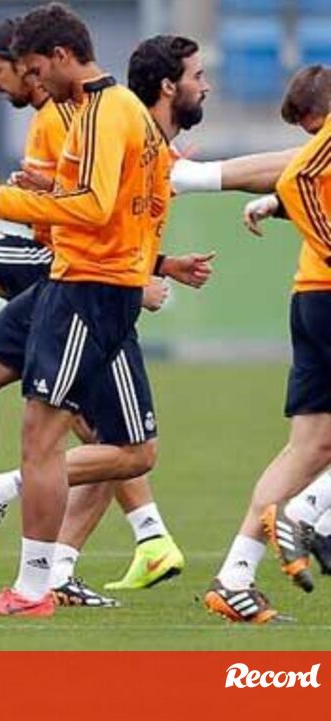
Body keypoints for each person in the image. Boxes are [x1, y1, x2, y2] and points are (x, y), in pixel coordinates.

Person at [0, 3, 175, 617]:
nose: (34, 81)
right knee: (122, 447)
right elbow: (148, 197)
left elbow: (93, 208)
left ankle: (31, 589)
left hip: (88, 287)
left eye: (35, 68)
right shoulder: (126, 110)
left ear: (62, 55)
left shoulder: (101, 112)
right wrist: (145, 263)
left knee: (41, 438)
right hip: (98, 282)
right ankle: (38, 575)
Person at [204, 64, 331, 623]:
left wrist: (277, 207)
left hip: (312, 295)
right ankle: (307, 514)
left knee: (309, 448)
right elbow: (299, 177)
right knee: (309, 456)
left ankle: (234, 577)